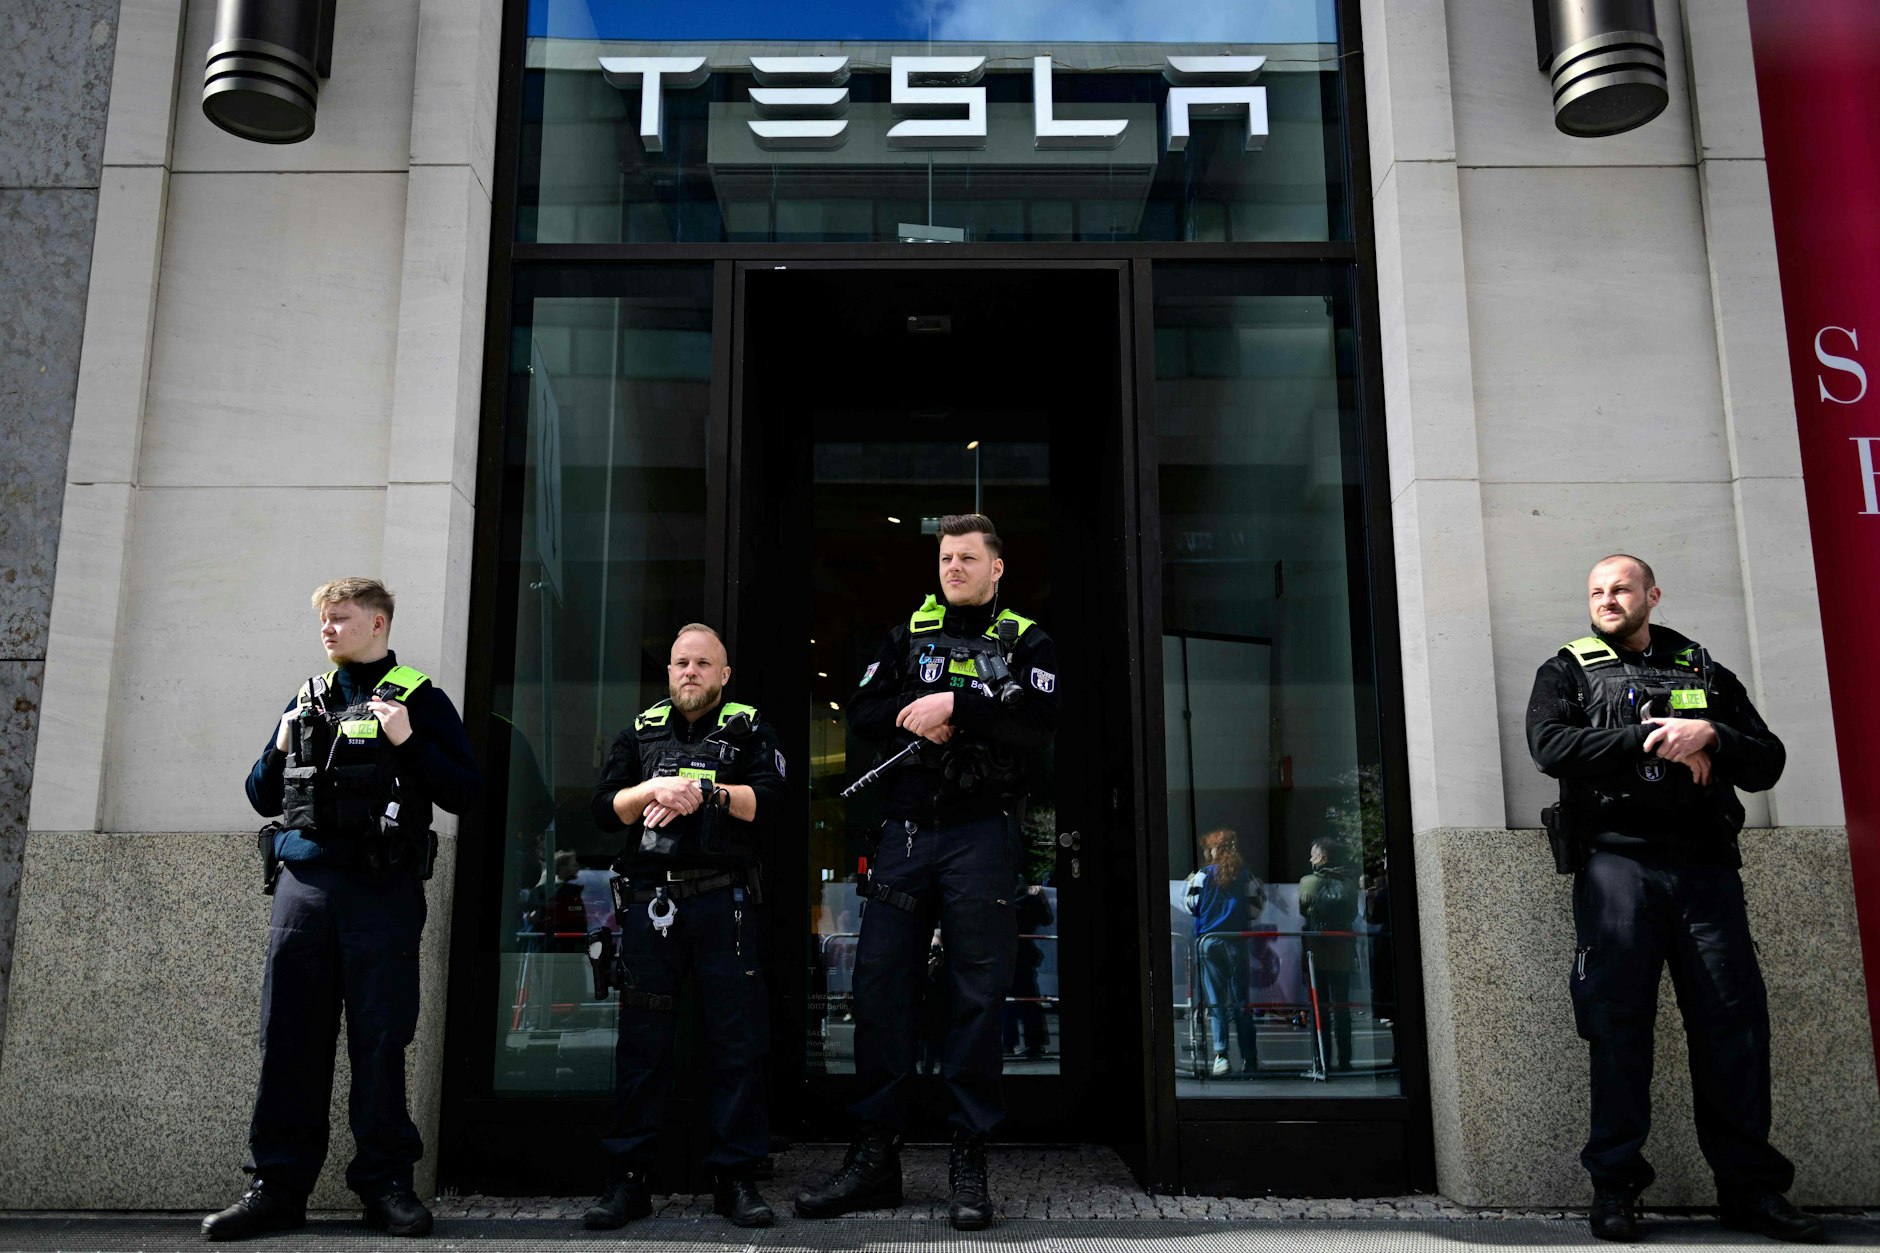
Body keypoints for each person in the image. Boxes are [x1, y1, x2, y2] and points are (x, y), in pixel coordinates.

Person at [1527, 554, 1820, 1244]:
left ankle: (1751, 1191)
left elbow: (1768, 758)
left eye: (1621, 587)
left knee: (1735, 1028)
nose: (1607, 598)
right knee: (1616, 1025)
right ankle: (1616, 1189)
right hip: (1617, 867)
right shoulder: (1566, 669)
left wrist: (1711, 732)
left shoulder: (1703, 668)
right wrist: (1651, 737)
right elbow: (1549, 744)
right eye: (1597, 590)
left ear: (1650, 594)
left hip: (1704, 869)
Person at [796, 513, 1060, 1231]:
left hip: (982, 832)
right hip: (907, 833)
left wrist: (962, 706)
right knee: (882, 987)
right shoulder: (908, 635)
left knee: (977, 995)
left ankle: (968, 1157)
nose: (953, 568)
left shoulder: (1026, 638)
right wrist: (920, 713)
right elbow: (863, 710)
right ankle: (874, 1158)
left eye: (967, 557)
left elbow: (1041, 723)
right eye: (946, 557)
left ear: (995, 567)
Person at [205, 578, 480, 1242]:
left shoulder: (420, 697)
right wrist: (278, 742)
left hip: (380, 890)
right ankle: (277, 1186)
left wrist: (411, 741)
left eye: (341, 618)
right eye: (323, 620)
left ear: (378, 623)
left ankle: (386, 1184)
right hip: (302, 888)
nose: (327, 629)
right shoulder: (307, 698)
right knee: (288, 1039)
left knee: (381, 1040)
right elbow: (258, 793)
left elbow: (466, 790)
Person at [583, 624, 786, 1230]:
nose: (690, 673)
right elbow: (602, 810)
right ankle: (629, 1180)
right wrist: (650, 788)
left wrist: (706, 792)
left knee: (735, 1042)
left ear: (724, 675)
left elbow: (772, 801)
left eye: (703, 664)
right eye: (680, 663)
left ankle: (737, 1177)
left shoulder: (749, 728)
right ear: (669, 672)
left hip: (726, 904)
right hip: (653, 904)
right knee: (643, 1045)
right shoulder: (639, 733)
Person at [1185, 828, 1266, 1076]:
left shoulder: (1201, 876)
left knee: (1216, 1002)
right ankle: (1249, 1057)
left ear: (1214, 849)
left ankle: (1221, 1056)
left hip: (1209, 942)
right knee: (1241, 1002)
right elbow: (1255, 910)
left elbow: (1191, 906)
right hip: (1237, 941)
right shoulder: (1245, 876)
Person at [1297, 836, 1357, 1077]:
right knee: (1342, 1007)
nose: (1310, 857)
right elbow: (1353, 914)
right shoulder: (1350, 884)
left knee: (1318, 1007)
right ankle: (1346, 1060)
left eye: (1313, 853)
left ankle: (1321, 1058)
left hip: (1317, 953)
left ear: (1322, 857)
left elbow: (1303, 910)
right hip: (1342, 951)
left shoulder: (1308, 882)